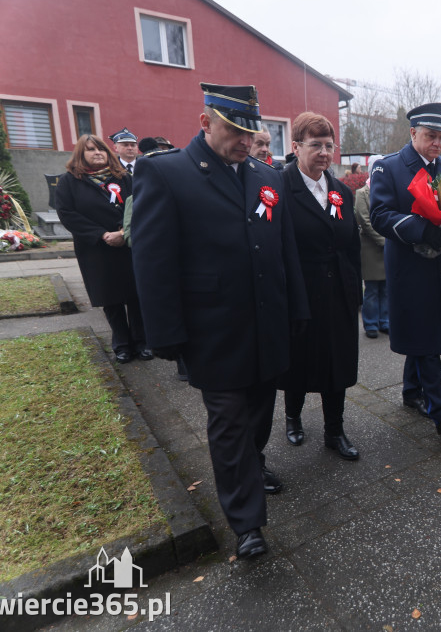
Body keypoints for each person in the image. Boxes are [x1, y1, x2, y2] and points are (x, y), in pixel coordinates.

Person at [131, 83, 309, 559]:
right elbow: (153, 262)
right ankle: (247, 522)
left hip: (267, 322)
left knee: (257, 414)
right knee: (228, 422)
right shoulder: (165, 172)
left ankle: (253, 467)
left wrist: (297, 307)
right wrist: (165, 333)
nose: (244, 142)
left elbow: (283, 246)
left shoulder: (262, 174)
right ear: (205, 122)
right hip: (214, 329)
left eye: (251, 133)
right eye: (235, 131)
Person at [369, 102, 441, 436]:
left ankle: (411, 391)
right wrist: (423, 228)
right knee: (425, 337)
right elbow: (380, 216)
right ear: (413, 133)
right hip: (410, 267)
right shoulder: (388, 168)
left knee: (425, 332)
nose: (436, 143)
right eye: (430, 136)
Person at [279, 112, 362, 461]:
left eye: (329, 145)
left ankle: (334, 430)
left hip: (338, 293)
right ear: (296, 146)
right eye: (316, 145)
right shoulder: (278, 188)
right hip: (300, 293)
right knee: (298, 362)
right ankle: (293, 416)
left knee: (336, 364)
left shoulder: (341, 191)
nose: (325, 153)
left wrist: (355, 293)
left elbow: (352, 246)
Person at [57, 134, 149, 364]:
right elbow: (68, 214)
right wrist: (101, 234)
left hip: (127, 243)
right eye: (90, 150)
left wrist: (124, 232)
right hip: (97, 249)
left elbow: (140, 204)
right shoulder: (69, 181)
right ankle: (122, 344)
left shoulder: (124, 177)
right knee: (111, 298)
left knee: (135, 296)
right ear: (81, 154)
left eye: (102, 149)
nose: (98, 153)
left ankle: (142, 341)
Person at [355, 172, 389, 339]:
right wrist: (384, 241)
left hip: (387, 245)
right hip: (370, 247)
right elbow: (364, 220)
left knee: (386, 288)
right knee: (372, 289)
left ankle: (385, 321)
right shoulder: (362, 193)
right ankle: (370, 324)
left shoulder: (386, 190)